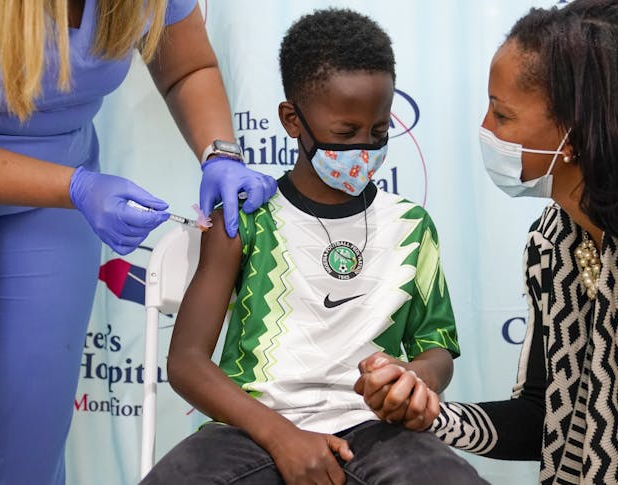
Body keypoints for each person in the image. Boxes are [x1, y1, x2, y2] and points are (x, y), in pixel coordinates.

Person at [355, 0, 618, 483]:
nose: (485, 129)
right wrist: (430, 413)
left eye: (502, 114)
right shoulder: (553, 242)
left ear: (576, 133)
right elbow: (541, 418)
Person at [141, 8, 487, 485]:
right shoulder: (244, 217)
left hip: (374, 428)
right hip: (250, 429)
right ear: (292, 120)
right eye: (346, 133)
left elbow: (436, 350)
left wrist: (414, 380)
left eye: (380, 132)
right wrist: (281, 436)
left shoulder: (411, 226)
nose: (365, 148)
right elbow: (186, 362)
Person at [0, 1, 276, 483]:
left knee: (30, 430)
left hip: (57, 196)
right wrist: (75, 188)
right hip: (59, 187)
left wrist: (220, 153)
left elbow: (188, 66)